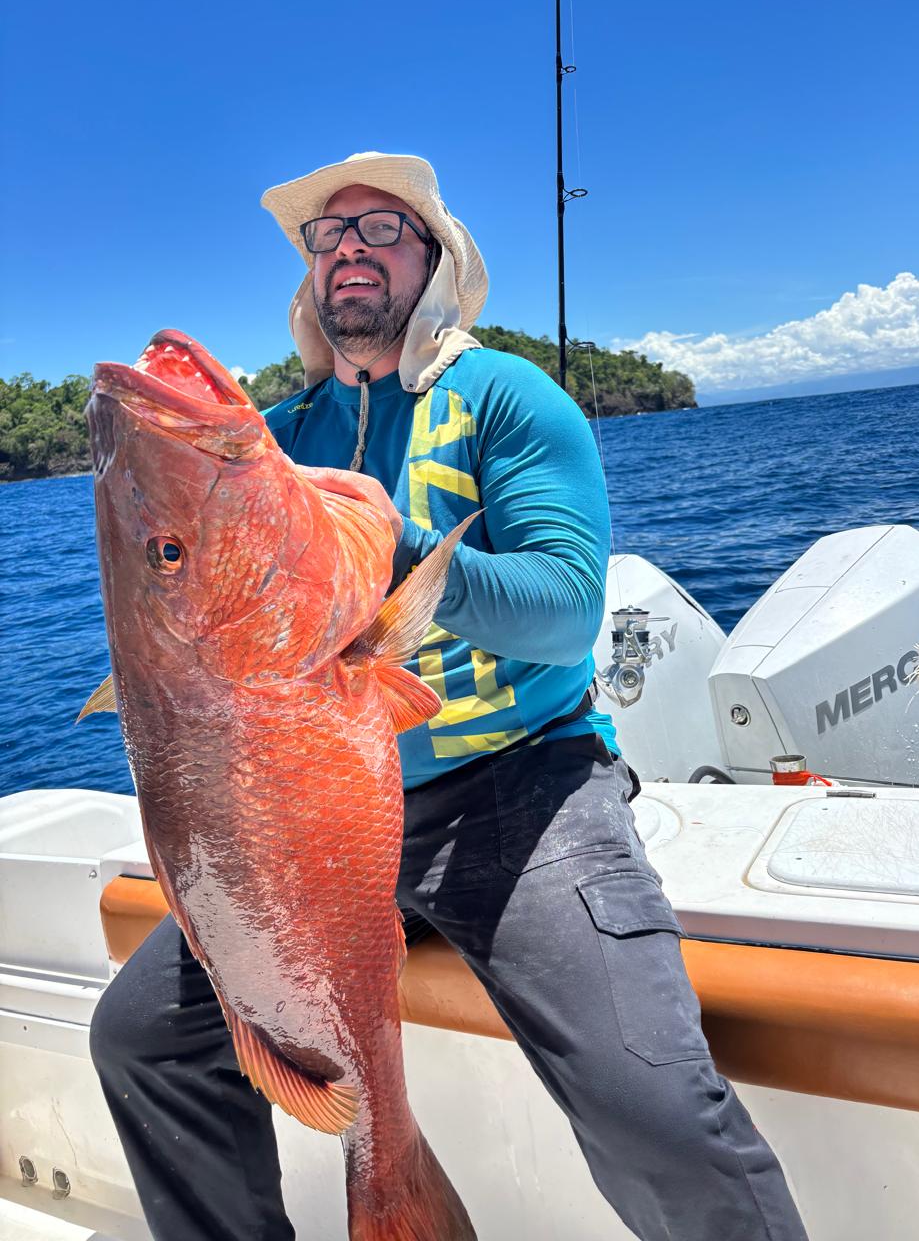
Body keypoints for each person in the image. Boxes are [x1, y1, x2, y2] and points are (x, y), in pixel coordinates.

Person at [90, 151, 808, 1241]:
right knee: (138, 1038)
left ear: (435, 260)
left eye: (381, 230)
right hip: (323, 814)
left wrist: (405, 551)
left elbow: (569, 610)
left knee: (650, 1100)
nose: (349, 253)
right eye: (327, 239)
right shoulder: (276, 443)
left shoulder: (507, 399)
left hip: (524, 791)